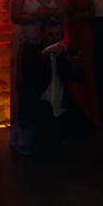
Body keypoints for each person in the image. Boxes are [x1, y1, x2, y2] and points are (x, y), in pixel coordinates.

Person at [19, 17, 91, 154]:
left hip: (61, 106)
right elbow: (29, 75)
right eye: (50, 34)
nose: (54, 38)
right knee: (49, 135)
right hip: (39, 106)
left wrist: (74, 63)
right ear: (43, 34)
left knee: (86, 131)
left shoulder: (64, 53)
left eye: (57, 34)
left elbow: (79, 78)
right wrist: (45, 53)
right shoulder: (31, 51)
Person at [9, 0, 58, 153]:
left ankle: (46, 133)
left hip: (47, 44)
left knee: (47, 88)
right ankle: (24, 136)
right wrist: (35, 16)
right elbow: (14, 16)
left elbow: (59, 12)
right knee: (26, 89)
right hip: (28, 43)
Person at [53, 0, 100, 127]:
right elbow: (65, 11)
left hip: (84, 32)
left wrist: (78, 14)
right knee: (72, 72)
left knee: (87, 73)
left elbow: (92, 11)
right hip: (70, 33)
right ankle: (75, 118)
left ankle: (89, 116)